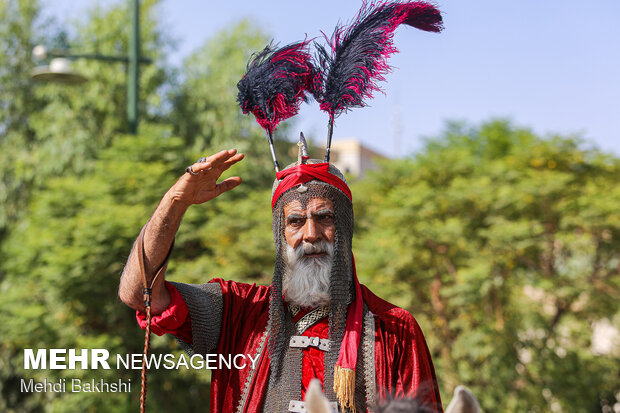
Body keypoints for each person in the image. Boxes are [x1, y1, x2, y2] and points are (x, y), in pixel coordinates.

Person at [119, 149, 443, 412]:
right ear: (281, 235)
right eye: (295, 221)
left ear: (344, 227)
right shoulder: (239, 310)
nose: (311, 234)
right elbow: (139, 294)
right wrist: (174, 203)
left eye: (325, 217)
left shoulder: (395, 329)